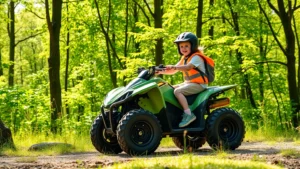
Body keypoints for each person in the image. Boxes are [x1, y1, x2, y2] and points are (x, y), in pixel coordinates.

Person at [156, 32, 208, 128]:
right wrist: (159, 72)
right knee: (167, 88)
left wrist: (175, 67)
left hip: (199, 85)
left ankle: (188, 114)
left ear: (193, 46)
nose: (183, 49)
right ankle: (175, 114)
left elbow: (188, 67)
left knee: (178, 91)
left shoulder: (196, 57)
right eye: (181, 46)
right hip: (189, 83)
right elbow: (173, 71)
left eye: (186, 46)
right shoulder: (184, 58)